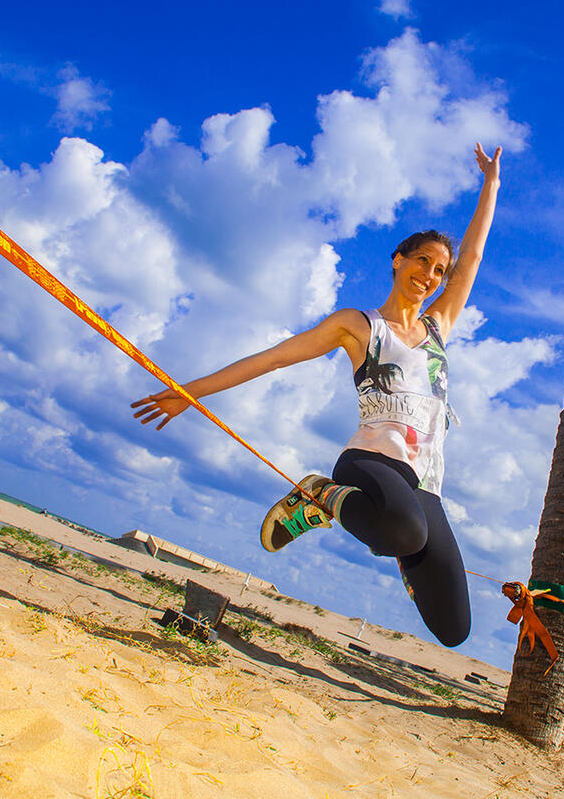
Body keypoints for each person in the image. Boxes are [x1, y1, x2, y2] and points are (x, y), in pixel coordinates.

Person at [132, 143, 501, 647]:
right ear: (398, 261)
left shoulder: (441, 325)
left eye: (440, 270)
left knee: (453, 627)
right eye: (422, 261)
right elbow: (274, 357)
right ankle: (321, 494)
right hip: (370, 463)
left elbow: (473, 256)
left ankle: (393, 530)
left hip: (425, 482)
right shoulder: (359, 325)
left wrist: (491, 185)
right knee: (407, 533)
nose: (431, 276)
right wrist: (188, 393)